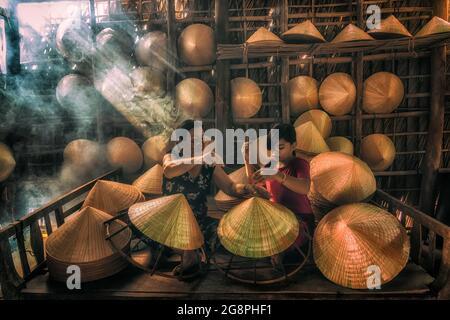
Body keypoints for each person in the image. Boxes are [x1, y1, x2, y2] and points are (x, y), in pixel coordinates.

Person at [162, 119, 266, 277]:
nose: (198, 143)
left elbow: (230, 187)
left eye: (201, 139)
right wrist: (201, 158)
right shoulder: (171, 158)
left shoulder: (208, 164)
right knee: (160, 239)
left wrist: (245, 188)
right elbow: (168, 170)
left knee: (230, 238)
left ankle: (192, 250)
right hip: (171, 221)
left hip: (199, 220)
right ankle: (188, 251)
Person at [244, 123, 314, 267]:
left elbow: (305, 188)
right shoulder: (270, 165)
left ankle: (278, 252)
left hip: (299, 221)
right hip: (276, 219)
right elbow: (255, 185)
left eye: (281, 148)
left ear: (293, 145)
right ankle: (275, 250)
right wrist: (247, 160)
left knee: (283, 236)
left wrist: (278, 176)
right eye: (272, 148)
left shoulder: (300, 164)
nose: (276, 152)